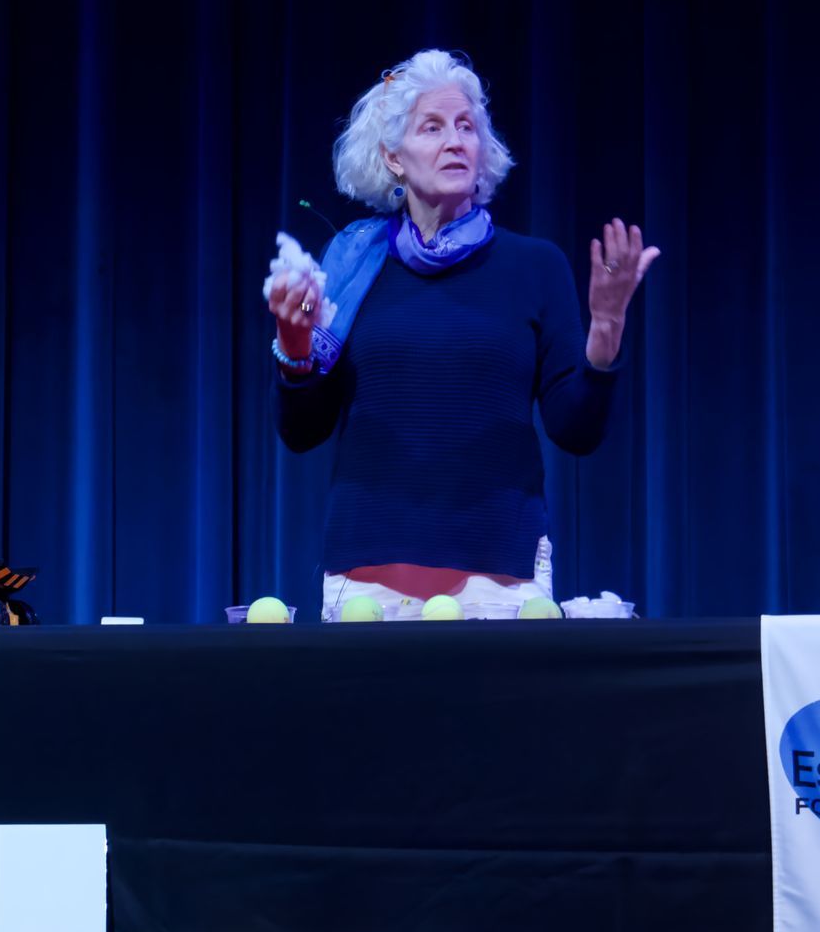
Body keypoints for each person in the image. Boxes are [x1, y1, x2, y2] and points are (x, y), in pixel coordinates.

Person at [268, 49, 658, 620]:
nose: (456, 140)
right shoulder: (351, 268)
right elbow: (304, 432)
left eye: (466, 126)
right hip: (369, 583)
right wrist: (296, 349)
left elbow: (575, 429)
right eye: (433, 127)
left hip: (500, 580)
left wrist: (607, 327)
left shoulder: (535, 267)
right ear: (393, 159)